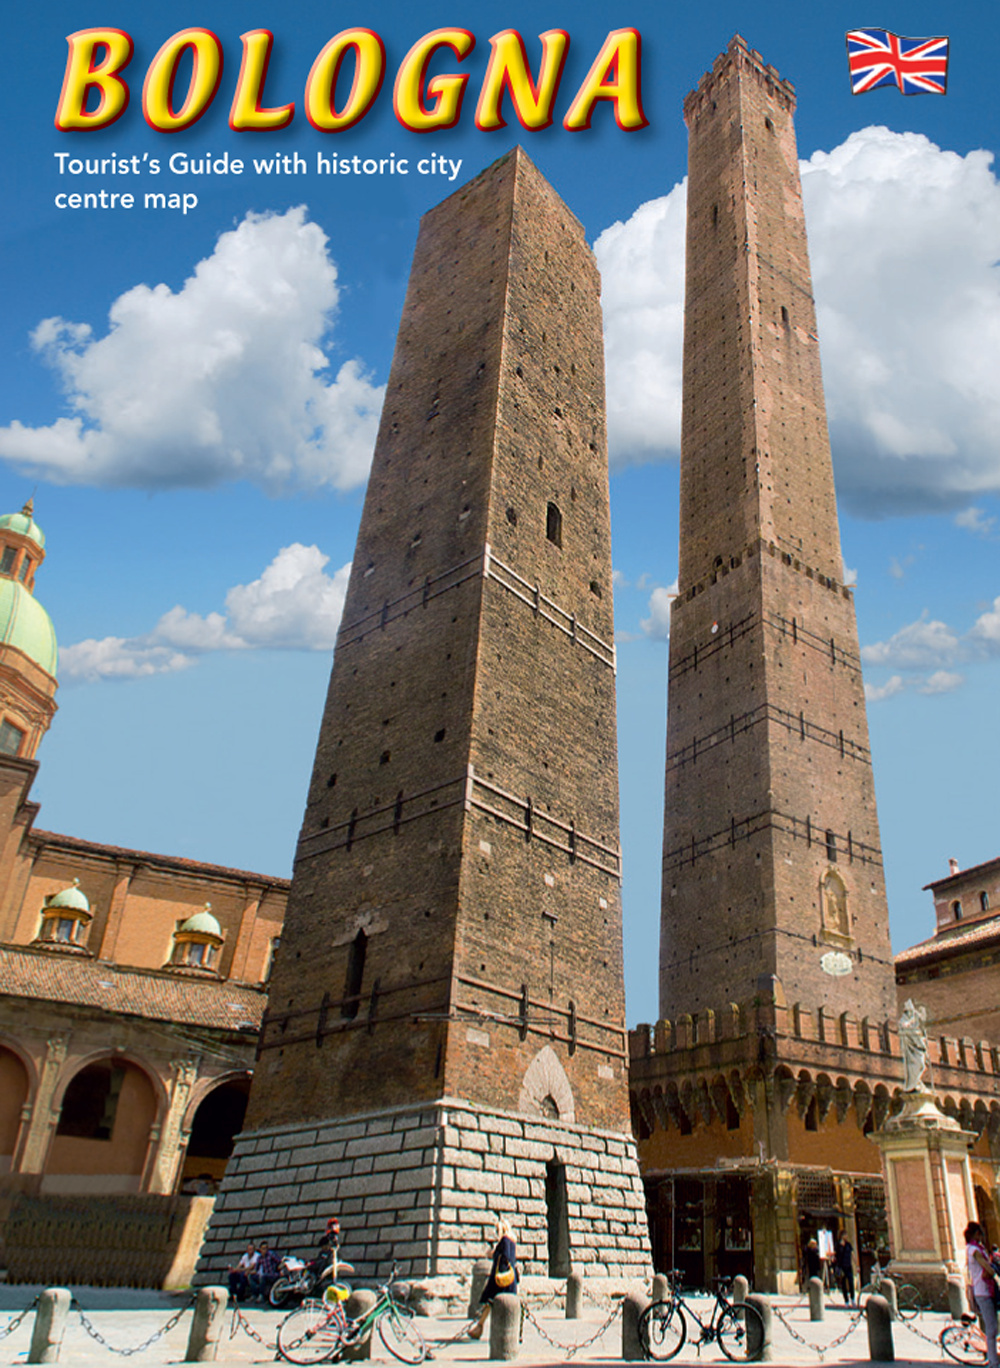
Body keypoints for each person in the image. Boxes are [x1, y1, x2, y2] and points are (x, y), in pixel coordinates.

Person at [469, 1218, 518, 1339]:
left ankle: (479, 1328)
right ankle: (516, 1334)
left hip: (500, 1279)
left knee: (489, 1302)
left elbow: (505, 1256)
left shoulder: (505, 1240)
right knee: (508, 1304)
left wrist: (495, 1253)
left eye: (498, 1230)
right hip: (509, 1278)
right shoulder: (512, 1240)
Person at [965, 1222, 999, 1368]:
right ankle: (993, 1361)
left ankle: (992, 1357)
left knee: (993, 1327)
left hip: (987, 1290)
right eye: (981, 1234)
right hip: (982, 1291)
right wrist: (991, 1269)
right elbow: (988, 1270)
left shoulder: (977, 1249)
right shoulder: (974, 1250)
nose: (982, 1236)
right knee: (991, 1329)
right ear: (976, 1234)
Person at [834, 1232, 856, 1306]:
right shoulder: (838, 1245)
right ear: (842, 1236)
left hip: (849, 1266)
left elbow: (853, 1254)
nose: (846, 1236)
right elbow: (834, 1255)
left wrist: (856, 1264)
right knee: (843, 1284)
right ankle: (846, 1300)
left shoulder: (848, 1245)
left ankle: (852, 1299)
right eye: (845, 1235)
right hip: (841, 1267)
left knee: (851, 1282)